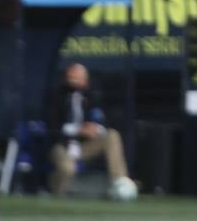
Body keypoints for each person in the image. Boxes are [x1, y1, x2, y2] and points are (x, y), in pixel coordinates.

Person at [46, 63, 135, 199]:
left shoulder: (91, 97)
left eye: (78, 77)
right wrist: (78, 130)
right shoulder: (56, 95)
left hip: (84, 146)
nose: (74, 79)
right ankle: (56, 188)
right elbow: (52, 125)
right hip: (62, 144)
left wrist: (95, 129)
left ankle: (119, 184)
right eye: (72, 76)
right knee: (68, 170)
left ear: (85, 80)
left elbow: (101, 120)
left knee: (112, 135)